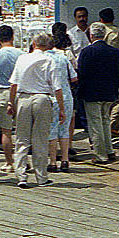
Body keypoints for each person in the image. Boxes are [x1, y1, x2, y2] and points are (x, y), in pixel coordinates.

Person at [7, 34, 65, 188]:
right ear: (48, 46)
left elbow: (14, 84)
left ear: (33, 43)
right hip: (42, 98)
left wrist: (10, 103)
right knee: (40, 139)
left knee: (21, 139)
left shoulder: (22, 59)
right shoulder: (49, 60)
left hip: (24, 98)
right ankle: (41, 176)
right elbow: (57, 87)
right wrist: (62, 109)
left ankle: (21, 175)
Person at [77, 22, 119, 162]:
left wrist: (80, 92)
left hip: (91, 93)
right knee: (105, 121)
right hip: (109, 91)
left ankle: (100, 154)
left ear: (91, 35)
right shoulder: (114, 51)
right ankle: (109, 150)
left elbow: (82, 74)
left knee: (95, 124)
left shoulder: (86, 52)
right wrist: (115, 90)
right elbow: (117, 73)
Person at [0, 25, 21, 173]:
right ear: (12, 36)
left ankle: (9, 162)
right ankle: (22, 161)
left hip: (2, 92)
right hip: (20, 92)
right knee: (22, 131)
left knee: (5, 131)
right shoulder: (22, 54)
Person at [46, 23, 78, 174]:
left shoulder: (44, 58)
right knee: (64, 129)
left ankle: (52, 161)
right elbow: (74, 77)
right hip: (66, 96)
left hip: (51, 97)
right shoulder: (63, 57)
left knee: (52, 129)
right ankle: (65, 160)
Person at [99, 8, 119, 132]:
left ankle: (102, 128)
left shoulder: (98, 32)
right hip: (117, 68)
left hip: (101, 69)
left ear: (101, 19)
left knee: (103, 100)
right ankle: (111, 127)